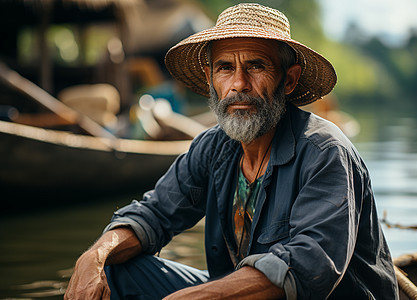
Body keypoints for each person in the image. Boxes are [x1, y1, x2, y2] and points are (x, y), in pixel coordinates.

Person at [65, 3, 398, 300]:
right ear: (211, 79)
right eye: (225, 68)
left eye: (255, 66)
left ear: (289, 80)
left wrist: (197, 297)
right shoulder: (213, 148)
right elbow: (153, 214)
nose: (239, 83)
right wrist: (92, 257)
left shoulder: (324, 151)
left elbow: (308, 266)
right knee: (114, 271)